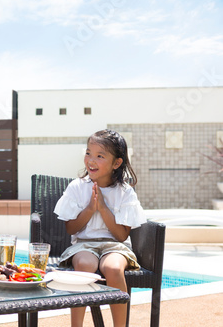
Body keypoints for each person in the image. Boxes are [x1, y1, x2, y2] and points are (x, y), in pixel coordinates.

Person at [54, 129, 146, 327]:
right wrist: (90, 209)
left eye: (99, 156)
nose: (91, 160)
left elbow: (121, 235)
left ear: (117, 163)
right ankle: (76, 325)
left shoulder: (124, 192)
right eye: (88, 153)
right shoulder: (77, 187)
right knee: (85, 266)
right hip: (84, 245)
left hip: (114, 246)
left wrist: (103, 208)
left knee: (112, 268)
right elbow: (71, 228)